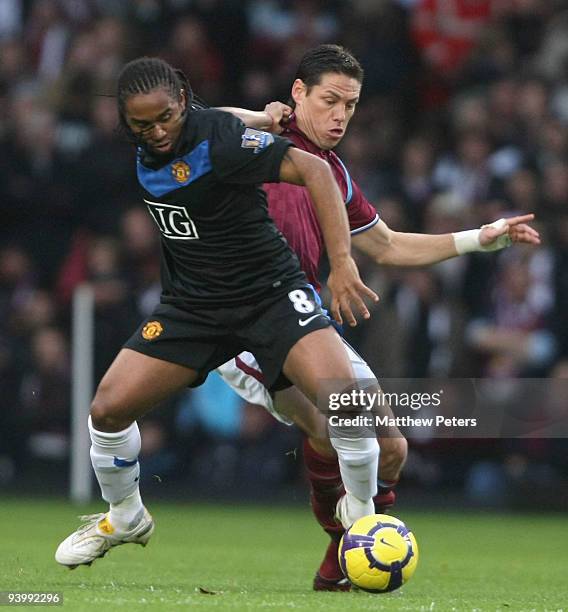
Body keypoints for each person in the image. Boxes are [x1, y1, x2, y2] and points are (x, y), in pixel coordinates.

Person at [215, 44, 541, 590]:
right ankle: (356, 538)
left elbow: (387, 247)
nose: (341, 114)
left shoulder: (333, 172)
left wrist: (477, 239)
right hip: (243, 323)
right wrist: (258, 116)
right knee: (334, 425)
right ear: (298, 93)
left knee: (391, 448)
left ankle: (344, 557)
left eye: (352, 104)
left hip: (305, 320)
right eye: (330, 100)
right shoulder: (256, 146)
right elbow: (193, 126)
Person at [55, 57, 382, 568]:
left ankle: (360, 520)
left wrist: (340, 264)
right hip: (195, 305)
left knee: (344, 403)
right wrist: (260, 115)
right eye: (143, 125)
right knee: (107, 410)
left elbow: (315, 170)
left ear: (182, 102)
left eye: (166, 117)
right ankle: (125, 516)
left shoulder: (220, 142)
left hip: (270, 293)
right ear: (126, 123)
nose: (158, 132)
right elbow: (226, 116)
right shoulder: (185, 129)